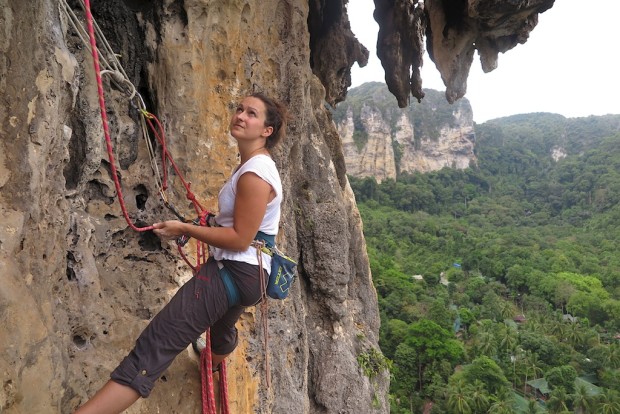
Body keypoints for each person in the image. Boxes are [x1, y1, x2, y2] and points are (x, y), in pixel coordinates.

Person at [75, 92, 288, 413]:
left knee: (155, 344)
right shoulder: (253, 166)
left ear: (266, 130)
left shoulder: (255, 174)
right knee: (221, 329)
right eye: (239, 109)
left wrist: (185, 229)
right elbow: (246, 225)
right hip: (251, 276)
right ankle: (214, 362)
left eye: (252, 114)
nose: (241, 116)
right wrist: (211, 221)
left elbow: (240, 239)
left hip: (234, 270)